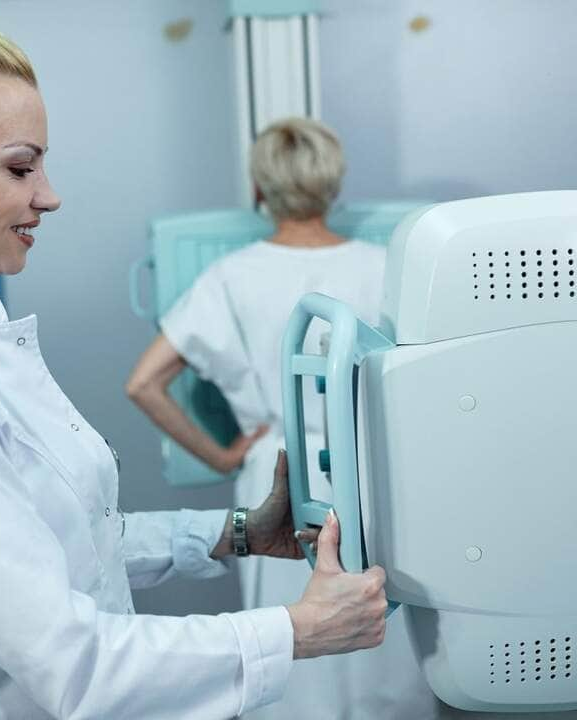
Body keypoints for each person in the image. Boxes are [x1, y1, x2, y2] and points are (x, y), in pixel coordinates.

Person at [0, 11, 388, 719]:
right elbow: (72, 667)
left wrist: (243, 531)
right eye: (20, 166)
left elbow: (71, 543)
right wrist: (298, 631)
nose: (49, 194)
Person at [127, 118, 441, 719]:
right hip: (377, 472)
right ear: (333, 183)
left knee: (294, 645)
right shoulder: (389, 266)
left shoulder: (231, 275)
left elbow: (143, 383)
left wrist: (222, 456)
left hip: (281, 473)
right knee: (385, 631)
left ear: (259, 189)